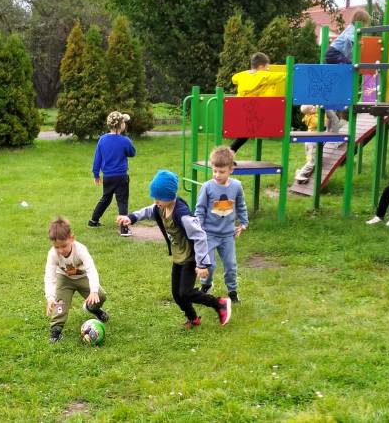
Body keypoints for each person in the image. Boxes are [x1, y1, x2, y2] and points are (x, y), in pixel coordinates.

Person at [116, 170, 232, 329]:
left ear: (170, 196)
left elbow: (199, 236)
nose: (156, 201)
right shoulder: (160, 207)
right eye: (155, 197)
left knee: (186, 292)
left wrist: (202, 264)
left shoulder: (182, 214)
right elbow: (148, 211)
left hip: (191, 257)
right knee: (177, 294)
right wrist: (131, 217)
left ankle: (219, 303)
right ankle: (193, 318)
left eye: (159, 198)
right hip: (179, 257)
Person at [195, 146, 248, 302]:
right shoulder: (207, 187)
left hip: (227, 235)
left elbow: (241, 205)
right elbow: (200, 209)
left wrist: (243, 223)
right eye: (215, 171)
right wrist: (199, 229)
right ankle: (206, 285)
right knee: (209, 266)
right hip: (209, 234)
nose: (217, 175)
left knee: (231, 266)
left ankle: (232, 292)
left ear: (231, 169)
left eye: (222, 172)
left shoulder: (236, 186)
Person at [44, 217, 108, 343]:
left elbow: (91, 269)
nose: (61, 250)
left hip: (82, 277)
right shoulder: (52, 254)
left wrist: (94, 291)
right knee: (60, 305)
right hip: (64, 279)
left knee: (100, 296)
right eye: (57, 247)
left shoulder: (80, 250)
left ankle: (92, 309)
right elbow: (49, 276)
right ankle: (56, 331)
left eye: (64, 246)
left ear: (72, 238)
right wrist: (50, 297)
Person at [229, 52, 287, 154]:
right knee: (246, 134)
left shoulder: (242, 75)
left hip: (241, 110)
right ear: (261, 67)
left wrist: (248, 72)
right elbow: (283, 76)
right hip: (256, 112)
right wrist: (292, 71)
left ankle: (230, 152)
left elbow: (234, 79)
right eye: (267, 67)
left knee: (244, 135)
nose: (268, 69)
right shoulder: (264, 76)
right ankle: (229, 153)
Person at [89, 111, 136, 236]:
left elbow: (97, 158)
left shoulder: (102, 140)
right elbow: (132, 153)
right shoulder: (125, 140)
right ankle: (124, 229)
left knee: (106, 198)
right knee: (122, 201)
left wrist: (96, 174)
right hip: (121, 177)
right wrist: (126, 143)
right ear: (121, 125)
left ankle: (93, 221)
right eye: (124, 122)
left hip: (108, 177)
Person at [323, 10, 371, 130]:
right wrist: (358, 42)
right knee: (349, 66)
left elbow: (349, 51)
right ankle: (331, 106)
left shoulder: (354, 30)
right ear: (361, 22)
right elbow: (350, 39)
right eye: (365, 23)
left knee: (344, 72)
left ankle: (333, 112)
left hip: (335, 54)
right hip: (333, 53)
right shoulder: (353, 29)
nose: (365, 26)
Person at [294, 105, 320, 184]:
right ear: (309, 112)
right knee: (312, 161)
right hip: (312, 141)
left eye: (313, 106)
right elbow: (322, 123)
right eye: (312, 108)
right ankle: (301, 174)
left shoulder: (310, 116)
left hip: (309, 141)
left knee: (310, 159)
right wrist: (324, 113)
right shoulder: (312, 118)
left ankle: (300, 171)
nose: (314, 107)